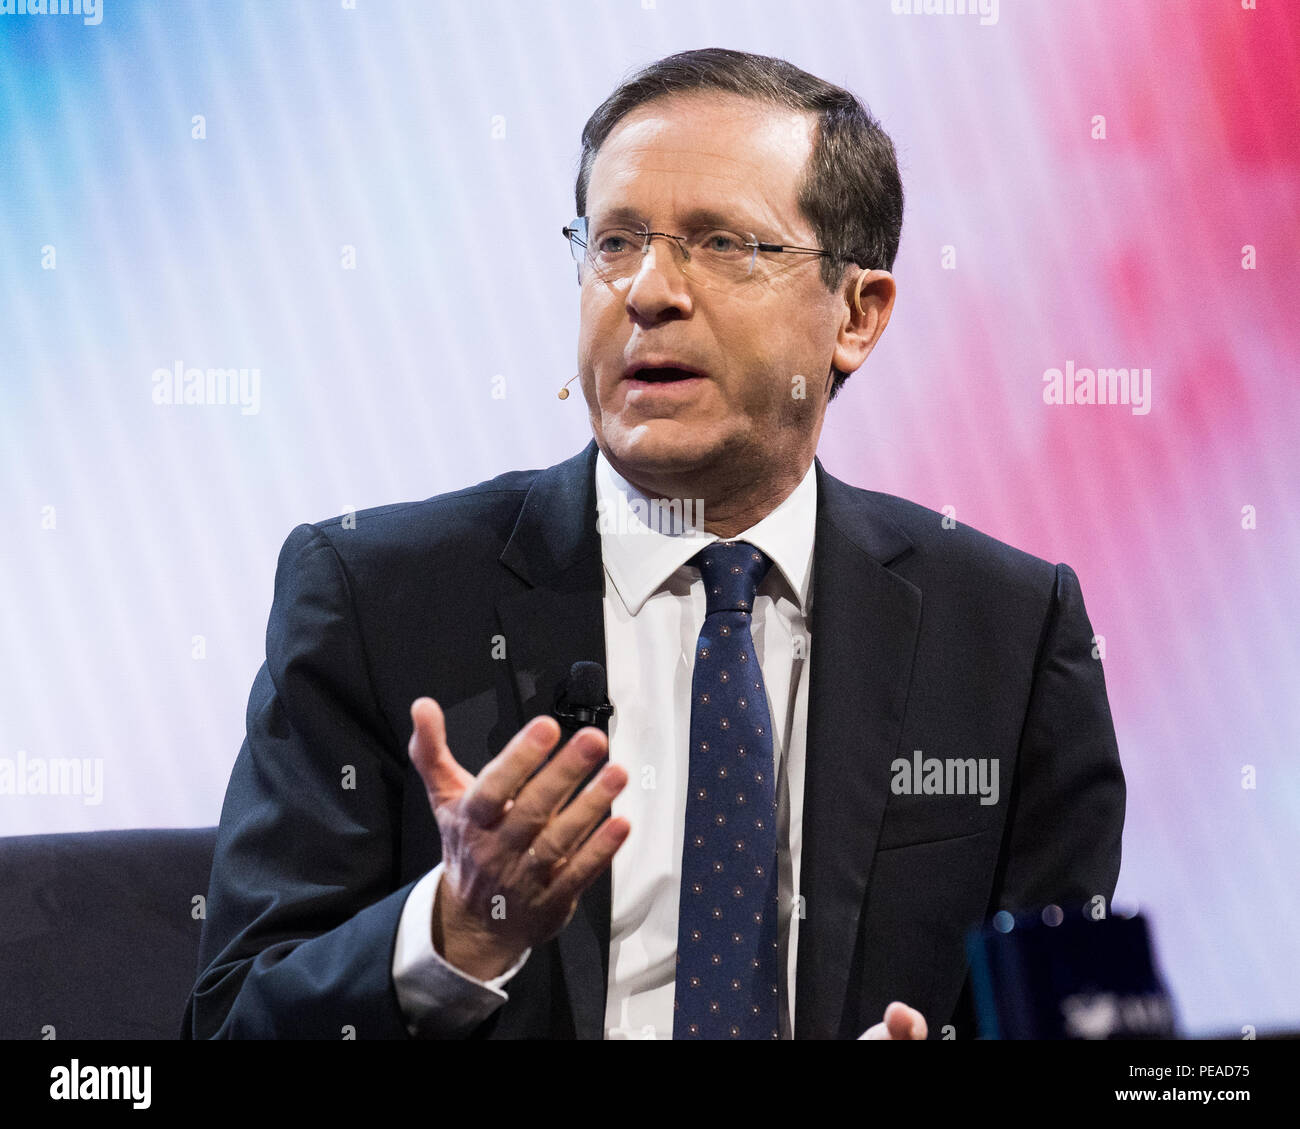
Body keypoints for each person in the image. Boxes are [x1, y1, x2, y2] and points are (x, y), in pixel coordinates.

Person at [185, 47, 1124, 1041]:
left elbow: (1077, 1017)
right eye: (615, 241)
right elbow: (234, 1022)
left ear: (856, 315)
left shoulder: (1010, 636)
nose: (646, 291)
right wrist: (454, 933)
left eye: (724, 246)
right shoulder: (376, 599)